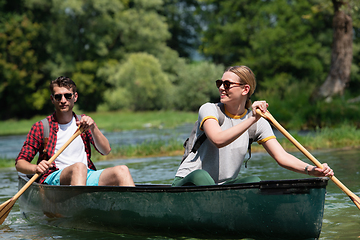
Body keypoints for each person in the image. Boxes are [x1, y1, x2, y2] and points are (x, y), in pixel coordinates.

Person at [173, 65, 334, 186]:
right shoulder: (209, 109)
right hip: (188, 184)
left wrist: (311, 170)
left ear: (245, 89)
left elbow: (282, 157)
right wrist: (251, 118)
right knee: (200, 176)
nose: (221, 88)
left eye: (227, 84)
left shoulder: (258, 123)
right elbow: (218, 140)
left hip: (220, 189)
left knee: (254, 182)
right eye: (220, 83)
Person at [15, 76, 135, 187]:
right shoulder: (41, 127)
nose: (63, 100)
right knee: (79, 167)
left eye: (67, 96)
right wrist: (36, 168)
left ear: (75, 97)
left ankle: (135, 208)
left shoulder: (84, 123)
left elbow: (106, 150)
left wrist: (93, 128)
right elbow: (20, 163)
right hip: (54, 177)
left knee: (122, 170)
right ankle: (80, 209)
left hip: (87, 174)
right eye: (58, 96)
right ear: (52, 99)